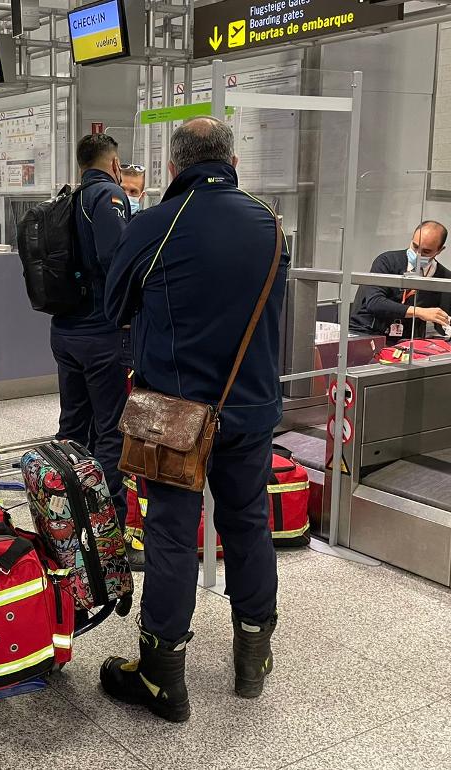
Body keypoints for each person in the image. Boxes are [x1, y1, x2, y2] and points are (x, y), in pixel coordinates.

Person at [102, 118, 289, 722]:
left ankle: (162, 675)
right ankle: (252, 657)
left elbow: (114, 307)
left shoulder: (154, 224)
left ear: (175, 165)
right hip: (252, 405)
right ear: (232, 158)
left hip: (174, 413)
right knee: (248, 522)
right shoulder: (269, 223)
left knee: (173, 535)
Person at [49, 133, 132, 530]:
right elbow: (115, 257)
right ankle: (108, 525)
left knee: (72, 428)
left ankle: (66, 515)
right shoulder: (109, 197)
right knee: (111, 430)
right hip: (101, 333)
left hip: (65, 330)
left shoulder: (69, 199)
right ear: (114, 164)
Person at [349, 221, 451, 340]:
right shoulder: (387, 261)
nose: (418, 254)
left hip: (406, 341)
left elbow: (443, 325)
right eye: (415, 246)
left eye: (426, 251)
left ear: (439, 250)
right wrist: (420, 312)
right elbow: (375, 302)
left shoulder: (444, 277)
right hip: (366, 332)